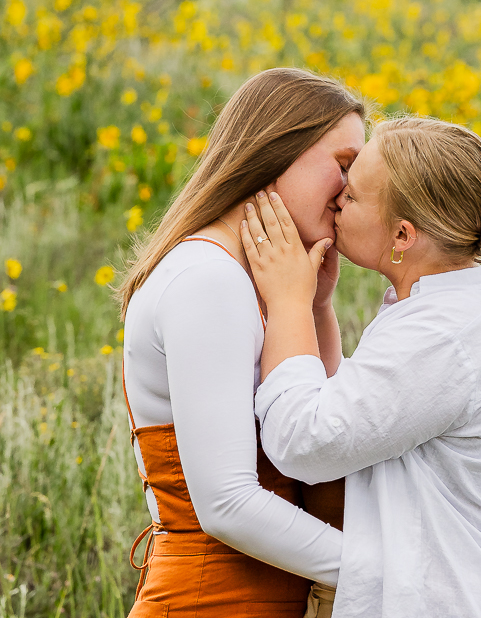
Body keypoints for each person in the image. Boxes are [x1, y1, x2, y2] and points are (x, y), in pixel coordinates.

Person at [242, 114, 481, 618]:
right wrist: (316, 308)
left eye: (351, 196)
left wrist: (288, 301)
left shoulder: (443, 335)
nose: (336, 199)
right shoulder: (449, 315)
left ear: (402, 235)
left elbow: (304, 441)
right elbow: (353, 418)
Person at [117, 67, 365, 617]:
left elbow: (324, 442)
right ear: (277, 150)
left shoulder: (251, 281)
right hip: (212, 601)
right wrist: (385, 574)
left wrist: (314, 307)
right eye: (344, 166)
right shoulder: (208, 278)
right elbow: (227, 504)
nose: (353, 190)